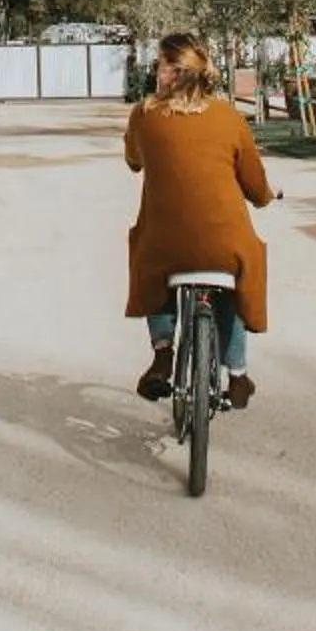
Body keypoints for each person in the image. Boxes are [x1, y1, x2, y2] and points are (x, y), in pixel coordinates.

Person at [123, 31, 275, 407]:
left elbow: (133, 160)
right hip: (224, 244)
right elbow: (255, 187)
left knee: (148, 259)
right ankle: (237, 374)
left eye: (158, 65)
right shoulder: (229, 117)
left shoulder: (144, 114)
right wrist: (267, 197)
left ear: (170, 72)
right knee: (239, 275)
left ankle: (162, 355)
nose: (155, 72)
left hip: (165, 242)